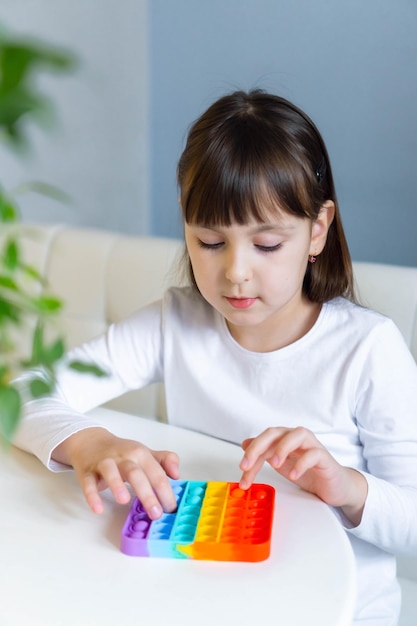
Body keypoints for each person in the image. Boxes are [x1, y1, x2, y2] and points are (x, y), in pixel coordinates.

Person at [14, 89, 417, 625]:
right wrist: (91, 442)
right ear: (185, 221)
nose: (235, 272)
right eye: (209, 242)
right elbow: (20, 392)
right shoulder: (174, 323)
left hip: (338, 609)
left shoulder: (368, 348)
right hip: (208, 600)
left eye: (267, 245)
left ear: (317, 230)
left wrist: (346, 487)